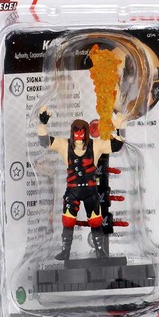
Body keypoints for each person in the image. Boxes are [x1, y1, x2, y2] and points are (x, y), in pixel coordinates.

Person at [38, 108, 124, 260]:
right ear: (72, 133)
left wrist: (120, 128)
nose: (79, 137)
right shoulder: (64, 145)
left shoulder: (96, 145)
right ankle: (65, 251)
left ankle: (100, 251)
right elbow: (44, 142)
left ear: (86, 133)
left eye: (81, 133)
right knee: (68, 220)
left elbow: (116, 145)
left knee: (96, 221)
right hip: (72, 191)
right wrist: (42, 125)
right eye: (76, 133)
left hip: (91, 191)